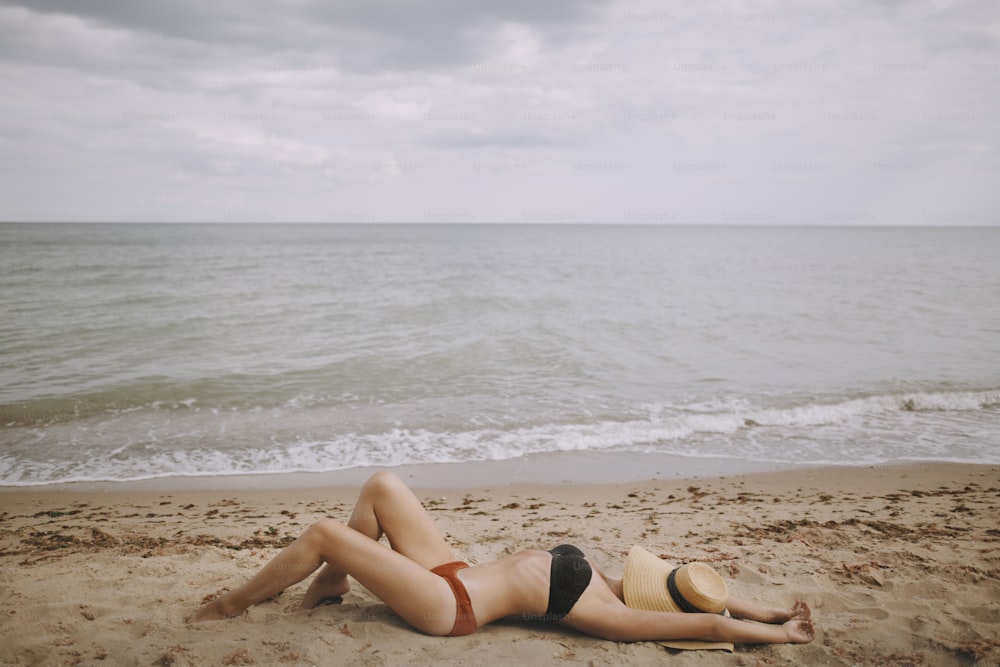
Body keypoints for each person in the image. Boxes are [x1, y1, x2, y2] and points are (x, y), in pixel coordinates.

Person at [191, 471, 814, 646]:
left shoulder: (614, 617)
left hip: (451, 606)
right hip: (455, 571)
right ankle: (331, 584)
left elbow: (705, 622)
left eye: (664, 580)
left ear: (655, 600)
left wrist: (780, 635)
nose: (654, 573)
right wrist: (767, 606)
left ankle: (232, 605)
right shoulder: (611, 582)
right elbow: (709, 599)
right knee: (382, 485)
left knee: (328, 530)